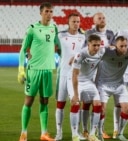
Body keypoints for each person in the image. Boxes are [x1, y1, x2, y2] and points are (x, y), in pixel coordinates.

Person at [17, 2, 59, 141]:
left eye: (51, 11)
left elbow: (59, 47)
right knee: (29, 101)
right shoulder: (33, 29)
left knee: (45, 101)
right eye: (46, 11)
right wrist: (21, 70)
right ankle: (23, 132)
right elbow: (23, 50)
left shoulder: (54, 28)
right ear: (41, 13)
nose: (49, 14)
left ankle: (44, 133)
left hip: (47, 70)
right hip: (33, 70)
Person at [96, 36, 128, 141]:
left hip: (119, 85)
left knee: (127, 108)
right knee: (102, 110)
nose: (124, 48)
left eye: (125, 46)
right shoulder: (107, 52)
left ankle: (120, 133)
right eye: (121, 46)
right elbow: (93, 52)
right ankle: (99, 133)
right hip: (104, 85)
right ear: (116, 46)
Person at [54, 13, 86, 141]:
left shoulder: (83, 37)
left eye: (78, 21)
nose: (76, 24)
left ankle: (75, 133)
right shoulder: (60, 35)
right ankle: (59, 132)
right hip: (63, 73)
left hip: (76, 74)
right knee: (60, 104)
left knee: (76, 102)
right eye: (73, 21)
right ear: (68, 22)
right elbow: (54, 47)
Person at [83, 12, 114, 139]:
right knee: (86, 102)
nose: (102, 20)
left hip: (104, 72)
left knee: (100, 103)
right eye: (99, 18)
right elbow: (85, 48)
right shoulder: (89, 33)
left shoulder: (111, 34)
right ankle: (85, 129)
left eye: (103, 17)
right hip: (90, 71)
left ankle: (99, 130)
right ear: (94, 21)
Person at [72, 34, 105, 141]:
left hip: (89, 82)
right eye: (94, 45)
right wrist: (76, 94)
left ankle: (92, 134)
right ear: (88, 44)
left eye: (98, 45)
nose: (96, 48)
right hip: (78, 81)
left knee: (97, 104)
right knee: (76, 103)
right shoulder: (81, 54)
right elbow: (74, 75)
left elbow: (113, 48)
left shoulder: (101, 51)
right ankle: (76, 133)